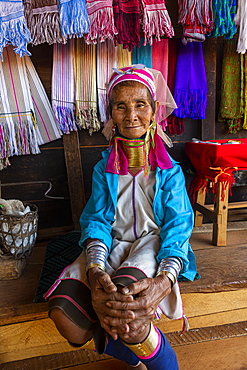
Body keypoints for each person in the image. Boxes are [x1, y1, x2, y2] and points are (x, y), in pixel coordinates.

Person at [45, 64, 198, 370]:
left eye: (140, 105)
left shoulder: (169, 172)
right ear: (111, 114)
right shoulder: (105, 169)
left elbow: (178, 227)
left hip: (153, 248)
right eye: (121, 106)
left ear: (154, 110)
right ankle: (134, 358)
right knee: (65, 315)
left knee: (127, 305)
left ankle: (165, 364)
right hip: (113, 245)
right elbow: (98, 220)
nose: (131, 116)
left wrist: (165, 280)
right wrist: (95, 269)